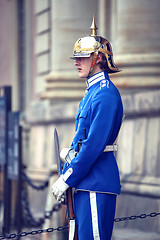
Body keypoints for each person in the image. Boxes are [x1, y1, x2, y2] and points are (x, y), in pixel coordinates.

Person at [52, 16, 123, 240]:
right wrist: (68, 162)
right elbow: (80, 141)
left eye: (82, 57)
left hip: (96, 182)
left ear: (98, 58)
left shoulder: (104, 94)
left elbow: (93, 146)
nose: (76, 62)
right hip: (87, 182)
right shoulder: (92, 92)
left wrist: (67, 178)